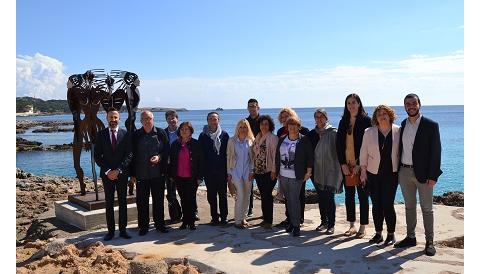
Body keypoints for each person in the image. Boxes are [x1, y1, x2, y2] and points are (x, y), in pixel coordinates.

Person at [394, 93, 442, 256]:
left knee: (427, 208)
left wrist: (433, 175)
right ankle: (410, 237)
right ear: (405, 106)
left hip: (424, 175)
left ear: (419, 104)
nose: (411, 106)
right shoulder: (403, 124)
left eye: (414, 103)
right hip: (405, 172)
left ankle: (429, 242)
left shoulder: (431, 125)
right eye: (408, 104)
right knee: (409, 207)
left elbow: (436, 152)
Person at [359, 105, 401, 246]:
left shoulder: (398, 130)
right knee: (376, 205)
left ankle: (391, 234)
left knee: (388, 204)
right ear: (375, 118)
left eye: (385, 113)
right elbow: (363, 152)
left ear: (390, 115)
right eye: (379, 114)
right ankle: (378, 234)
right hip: (373, 173)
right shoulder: (369, 131)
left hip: (391, 174)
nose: (382, 116)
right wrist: (363, 172)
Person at [336, 93, 371, 238]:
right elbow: (338, 144)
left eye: (353, 102)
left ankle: (363, 227)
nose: (351, 105)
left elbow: (369, 144)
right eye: (348, 103)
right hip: (347, 165)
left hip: (361, 166)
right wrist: (343, 164)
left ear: (359, 104)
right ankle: (352, 225)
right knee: (349, 196)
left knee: (363, 196)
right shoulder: (343, 121)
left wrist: (361, 165)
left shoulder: (366, 120)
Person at [94, 109, 132, 241]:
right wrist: (108, 171)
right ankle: (110, 232)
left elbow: (129, 155)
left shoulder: (126, 134)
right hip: (107, 175)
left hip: (122, 174)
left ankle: (123, 230)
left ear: (119, 119)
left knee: (123, 202)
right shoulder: (101, 135)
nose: (113, 120)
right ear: (107, 119)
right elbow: (97, 156)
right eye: (111, 117)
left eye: (115, 117)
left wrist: (119, 170)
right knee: (109, 203)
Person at [130, 111, 169, 236]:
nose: (147, 121)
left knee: (158, 201)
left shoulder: (161, 133)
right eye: (144, 119)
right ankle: (143, 226)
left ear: (153, 119)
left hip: (158, 174)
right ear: (140, 121)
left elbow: (167, 151)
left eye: (149, 118)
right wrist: (133, 174)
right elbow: (131, 156)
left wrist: (159, 157)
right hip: (141, 174)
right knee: (142, 202)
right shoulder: (136, 135)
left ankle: (160, 225)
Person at [275, 117, 313, 237]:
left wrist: (309, 171)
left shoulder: (304, 140)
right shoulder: (282, 139)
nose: (292, 127)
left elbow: (310, 156)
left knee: (295, 200)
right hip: (283, 175)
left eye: (295, 125)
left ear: (299, 127)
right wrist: (276, 172)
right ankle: (291, 222)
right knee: (288, 200)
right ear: (287, 127)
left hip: (297, 175)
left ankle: (296, 225)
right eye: (290, 125)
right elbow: (277, 156)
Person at [307, 109, 343, 235]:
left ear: (326, 118)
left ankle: (331, 224)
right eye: (317, 117)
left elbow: (340, 151)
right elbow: (308, 153)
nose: (319, 119)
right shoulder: (311, 134)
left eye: (322, 117)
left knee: (329, 196)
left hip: (331, 169)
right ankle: (324, 222)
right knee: (321, 197)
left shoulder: (333, 133)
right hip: (317, 171)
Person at [169, 121, 204, 230]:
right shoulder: (175, 144)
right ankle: (185, 221)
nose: (184, 131)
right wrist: (171, 175)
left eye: (186, 129)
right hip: (179, 177)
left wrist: (200, 177)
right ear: (179, 131)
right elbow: (172, 161)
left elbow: (200, 162)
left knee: (191, 200)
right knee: (183, 199)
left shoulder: (196, 143)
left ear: (191, 131)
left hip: (192, 177)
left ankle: (191, 222)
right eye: (182, 129)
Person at [198, 112, 230, 225]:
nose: (213, 121)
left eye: (215, 119)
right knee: (211, 195)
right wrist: (200, 173)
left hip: (222, 170)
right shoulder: (202, 136)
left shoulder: (224, 135)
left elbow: (228, 154)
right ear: (207, 121)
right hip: (208, 171)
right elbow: (200, 155)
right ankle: (214, 217)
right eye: (210, 119)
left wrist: (229, 171)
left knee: (222, 195)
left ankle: (224, 217)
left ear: (218, 121)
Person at [227, 119, 255, 229]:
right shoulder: (232, 141)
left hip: (248, 172)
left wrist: (252, 170)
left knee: (247, 196)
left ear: (247, 128)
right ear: (237, 128)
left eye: (245, 127)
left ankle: (243, 218)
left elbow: (253, 158)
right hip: (236, 172)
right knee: (241, 195)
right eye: (241, 127)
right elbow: (228, 157)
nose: (243, 129)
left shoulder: (251, 141)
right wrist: (229, 173)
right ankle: (237, 221)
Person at [252, 115, 278, 229]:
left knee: (267, 195)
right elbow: (254, 154)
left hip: (268, 171)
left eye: (266, 124)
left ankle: (269, 220)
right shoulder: (257, 137)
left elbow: (276, 156)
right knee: (263, 195)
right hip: (258, 172)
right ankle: (265, 218)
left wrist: (274, 171)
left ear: (270, 125)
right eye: (262, 124)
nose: (264, 126)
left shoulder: (273, 138)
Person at [164, 110, 185, 222]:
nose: (171, 120)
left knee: (185, 191)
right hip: (169, 166)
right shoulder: (163, 133)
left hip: (183, 165)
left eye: (173, 118)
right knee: (171, 193)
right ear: (166, 120)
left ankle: (191, 212)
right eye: (169, 118)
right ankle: (175, 214)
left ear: (177, 119)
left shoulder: (183, 131)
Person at [245, 99, 261, 218]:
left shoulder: (264, 121)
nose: (252, 108)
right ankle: (249, 209)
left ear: (258, 107)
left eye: (254, 106)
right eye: (250, 106)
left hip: (261, 157)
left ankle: (265, 213)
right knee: (249, 184)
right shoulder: (245, 122)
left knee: (262, 186)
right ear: (248, 108)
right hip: (249, 156)